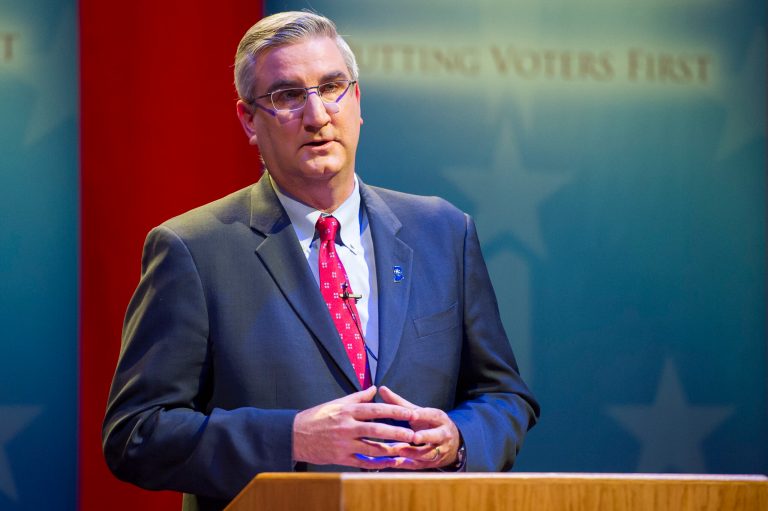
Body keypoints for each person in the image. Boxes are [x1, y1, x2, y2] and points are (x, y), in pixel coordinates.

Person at [102, 10, 539, 511]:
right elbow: (136, 433)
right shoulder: (193, 249)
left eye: (332, 87)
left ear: (357, 100)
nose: (317, 116)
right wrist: (291, 438)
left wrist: (458, 439)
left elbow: (505, 396)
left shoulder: (443, 231)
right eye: (287, 96)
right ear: (248, 119)